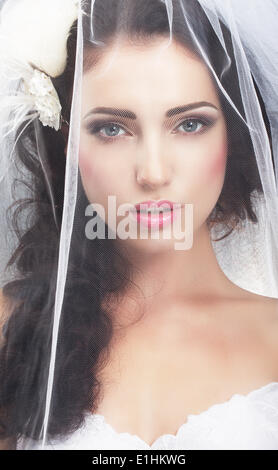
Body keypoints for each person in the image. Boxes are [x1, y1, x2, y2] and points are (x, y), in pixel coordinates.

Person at [0, 0, 278, 450]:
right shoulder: (12, 328)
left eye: (190, 124)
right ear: (69, 143)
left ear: (234, 135)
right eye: (112, 129)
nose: (152, 172)